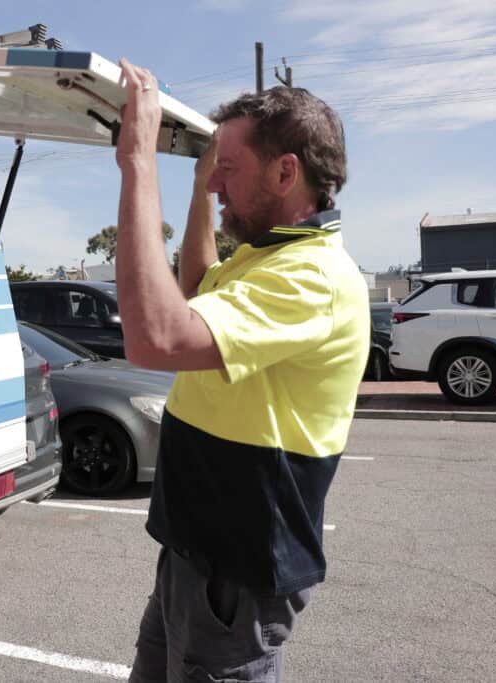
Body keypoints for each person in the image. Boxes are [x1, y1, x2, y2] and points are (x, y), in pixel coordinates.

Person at [113, 58, 369, 682]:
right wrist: (203, 184)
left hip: (236, 576)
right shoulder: (262, 258)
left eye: (229, 170)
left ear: (286, 172)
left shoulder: (313, 277)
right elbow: (196, 289)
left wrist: (138, 162)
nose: (218, 186)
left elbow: (158, 338)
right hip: (194, 555)